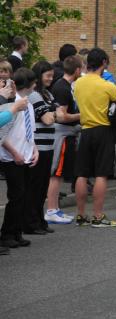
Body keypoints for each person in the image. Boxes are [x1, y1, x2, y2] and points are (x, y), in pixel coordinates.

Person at [73, 48, 116, 227]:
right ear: (103, 62)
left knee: (81, 174)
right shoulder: (107, 85)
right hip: (103, 130)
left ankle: (81, 215)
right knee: (101, 174)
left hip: (85, 129)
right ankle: (98, 216)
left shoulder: (78, 83)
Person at [0, 68, 38, 249]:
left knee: (24, 196)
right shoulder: (11, 104)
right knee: (16, 196)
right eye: (34, 82)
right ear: (29, 84)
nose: (36, 85)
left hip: (27, 155)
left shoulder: (28, 103)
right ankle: (7, 233)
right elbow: (3, 133)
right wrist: (15, 153)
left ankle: (17, 232)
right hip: (12, 156)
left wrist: (34, 149)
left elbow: (30, 131)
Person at [22, 61, 60, 235]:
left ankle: (39, 220)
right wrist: (53, 113)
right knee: (35, 187)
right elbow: (49, 119)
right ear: (39, 76)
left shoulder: (47, 94)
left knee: (42, 186)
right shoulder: (35, 96)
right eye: (48, 76)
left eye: (52, 76)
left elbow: (59, 114)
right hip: (38, 147)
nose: (50, 79)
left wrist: (53, 113)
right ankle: (31, 222)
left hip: (48, 145)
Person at [47, 55, 82, 224]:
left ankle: (55, 209)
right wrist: (83, 115)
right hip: (61, 134)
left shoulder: (67, 86)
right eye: (80, 69)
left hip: (67, 134)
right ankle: (51, 209)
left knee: (58, 174)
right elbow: (61, 116)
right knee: (56, 173)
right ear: (76, 70)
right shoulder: (62, 87)